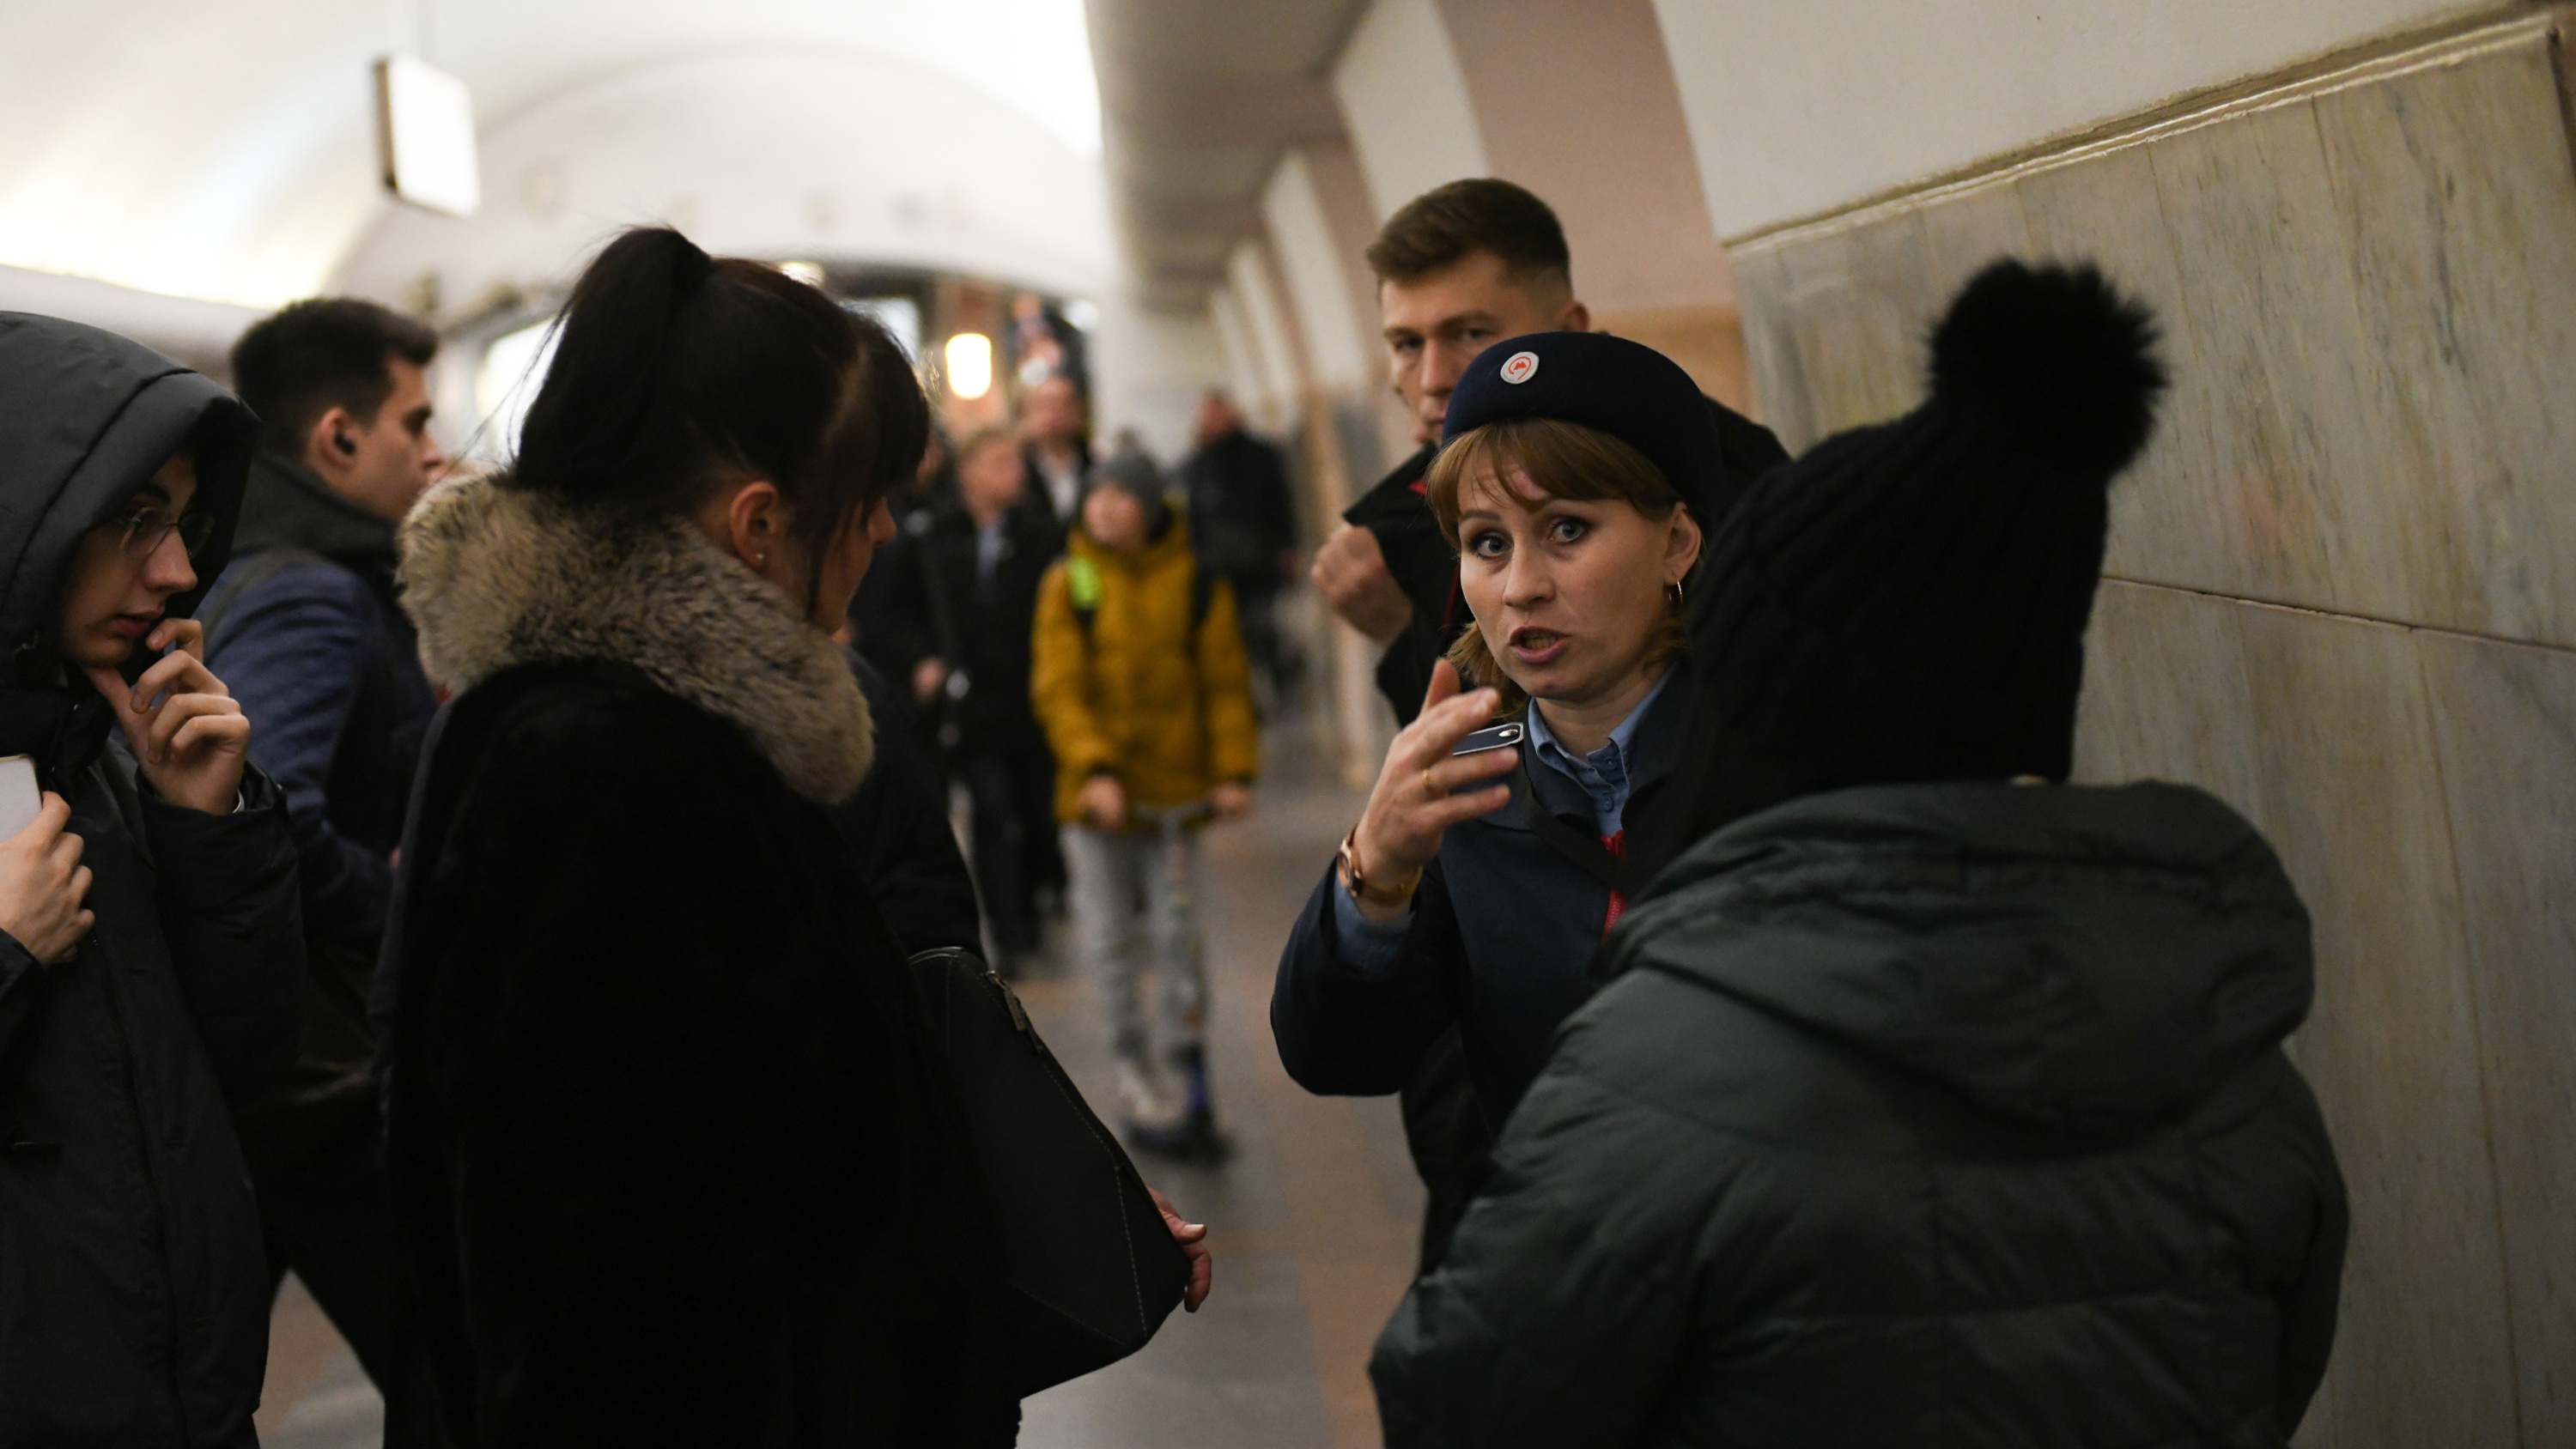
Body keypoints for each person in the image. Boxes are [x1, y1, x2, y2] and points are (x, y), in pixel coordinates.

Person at [1368, 261, 2350, 1447]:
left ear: (1778, 702)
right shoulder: (2228, 1047)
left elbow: (1461, 1399)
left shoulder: (1671, 1062)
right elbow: (2277, 1369)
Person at [380, 229, 1032, 1444]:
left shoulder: (623, 730)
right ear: (759, 525)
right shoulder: (610, 776)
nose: (885, 534)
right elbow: (616, 1290)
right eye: (869, 500)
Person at [1305, 178, 1789, 1272]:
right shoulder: (1402, 525)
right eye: (1405, 342)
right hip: (1507, 1146)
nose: (1433, 378)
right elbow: (1336, 1027)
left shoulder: (1736, 509)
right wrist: (1369, 873)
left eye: (1470, 333)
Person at [0, 312, 305, 1446]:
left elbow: (242, 1066)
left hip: (182, 1393)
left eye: (178, 524)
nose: (178, 573)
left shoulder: (103, 746)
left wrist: (207, 826)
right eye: (133, 521)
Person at [209, 296, 446, 1440]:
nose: (433, 449)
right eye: (415, 422)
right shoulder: (309, 590)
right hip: (325, 1074)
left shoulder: (266, 563)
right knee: (448, 1365)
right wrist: (396, 901)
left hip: (285, 1066)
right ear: (338, 438)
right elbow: (266, 802)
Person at [1031, 448, 1258, 1155]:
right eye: (1096, 495)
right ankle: (1133, 1065)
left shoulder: (1193, 580)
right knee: (1108, 940)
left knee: (1178, 935)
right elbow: (1058, 688)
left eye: (1121, 496)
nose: (1104, 507)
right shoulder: (1071, 581)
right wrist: (1094, 768)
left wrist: (1233, 773)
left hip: (1176, 799)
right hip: (1096, 802)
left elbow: (1223, 683)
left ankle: (1184, 1059)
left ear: (1151, 505)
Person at [867, 426, 1065, 967]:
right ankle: (1008, 928)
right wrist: (922, 660)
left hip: (1026, 699)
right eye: (1000, 463)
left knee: (1033, 809)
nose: (1014, 474)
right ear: (971, 472)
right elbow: (894, 611)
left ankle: (1031, 904)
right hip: (970, 705)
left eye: (1017, 463)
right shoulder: (933, 536)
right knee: (991, 813)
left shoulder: (1041, 536)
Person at [1181, 389, 1301, 707]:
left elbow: (1280, 504)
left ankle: (1278, 681)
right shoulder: (1197, 465)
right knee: (1234, 633)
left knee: (1264, 625)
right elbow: (1195, 520)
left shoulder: (1259, 455)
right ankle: (1253, 693)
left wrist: (1287, 548)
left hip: (1259, 559)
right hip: (1221, 566)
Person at [1018, 372, 1092, 533]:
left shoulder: (1096, 465)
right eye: (1044, 406)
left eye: (1063, 405)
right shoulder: (1016, 471)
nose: (1054, 415)